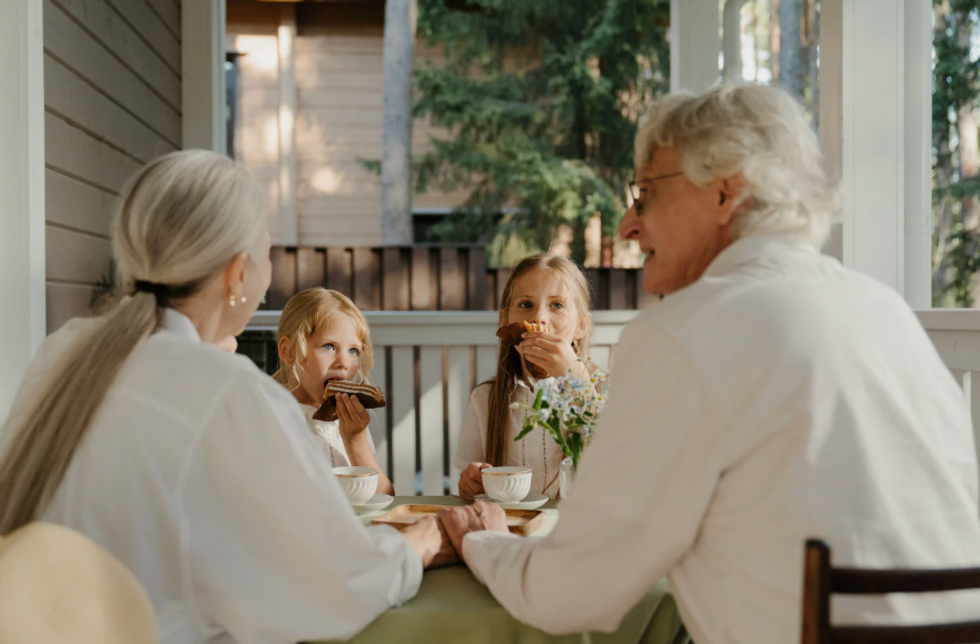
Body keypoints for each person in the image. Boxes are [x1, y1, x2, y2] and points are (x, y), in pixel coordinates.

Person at [438, 84, 980, 643]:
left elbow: (568, 592)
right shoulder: (885, 311)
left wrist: (481, 537)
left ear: (726, 191)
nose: (628, 225)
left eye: (646, 194)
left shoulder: (682, 332)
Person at [0, 150, 451, 644]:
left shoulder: (62, 351)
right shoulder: (230, 393)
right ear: (238, 274)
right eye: (268, 254)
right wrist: (423, 542)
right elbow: (334, 591)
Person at [454, 255, 593, 500]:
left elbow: (620, 468)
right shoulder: (485, 399)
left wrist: (577, 378)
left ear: (581, 326)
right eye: (526, 304)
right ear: (505, 321)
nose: (539, 318)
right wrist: (470, 483)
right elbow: (467, 486)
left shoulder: (603, 394)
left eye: (557, 305)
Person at [274, 287, 394, 495]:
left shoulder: (350, 421)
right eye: (329, 346)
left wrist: (356, 441)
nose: (344, 362)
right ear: (289, 351)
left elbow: (385, 497)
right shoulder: (271, 415)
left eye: (353, 350)